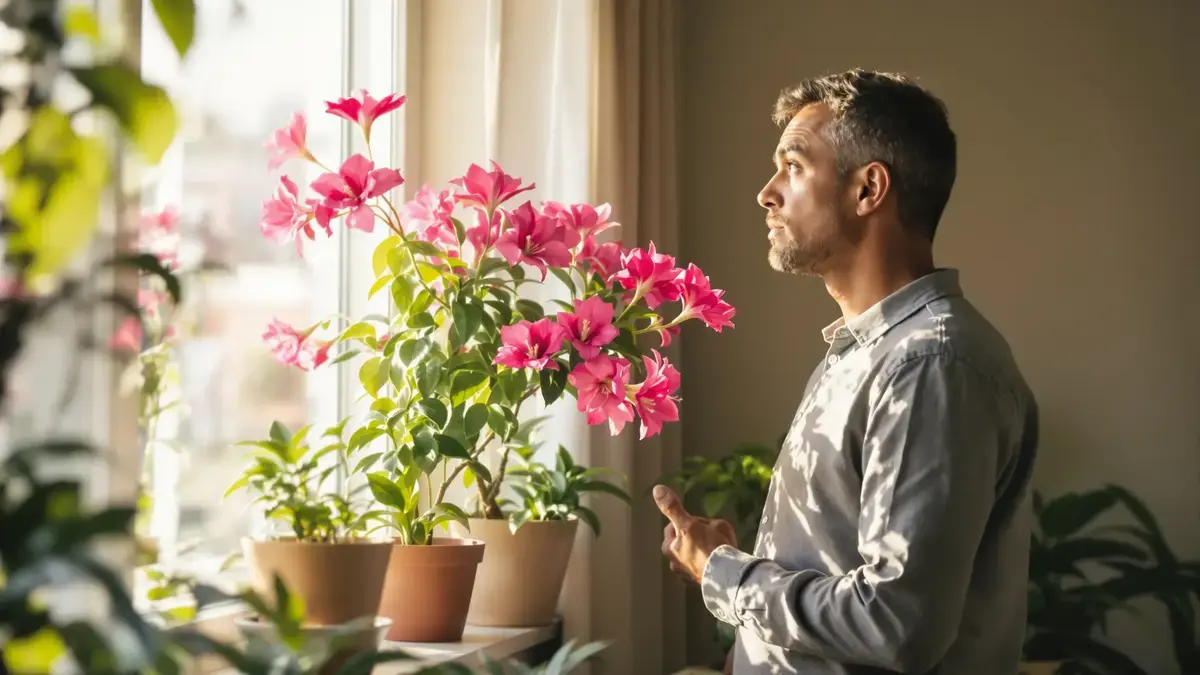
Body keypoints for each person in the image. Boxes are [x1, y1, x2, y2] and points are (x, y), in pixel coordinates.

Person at [655, 69, 1039, 674]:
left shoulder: (930, 366)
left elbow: (895, 623)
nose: (766, 192)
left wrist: (723, 572)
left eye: (795, 166)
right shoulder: (867, 353)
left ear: (869, 190)